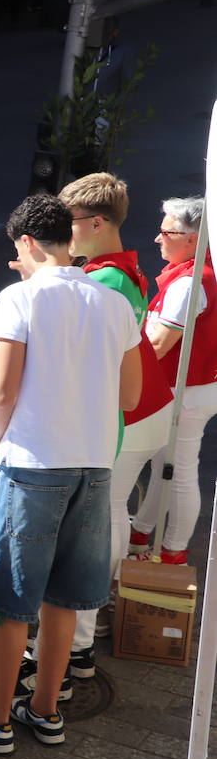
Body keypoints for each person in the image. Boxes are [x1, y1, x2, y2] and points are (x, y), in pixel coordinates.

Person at [0, 194, 140, 755]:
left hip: (31, 465)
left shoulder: (20, 296)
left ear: (27, 242)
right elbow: (129, 394)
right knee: (62, 600)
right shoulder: (113, 303)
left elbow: (1, 391)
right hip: (94, 464)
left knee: (9, 601)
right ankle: (47, 710)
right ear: (69, 241)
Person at [58, 174, 173, 679]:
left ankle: (79, 640)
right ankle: (89, 623)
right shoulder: (116, 268)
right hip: (142, 411)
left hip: (130, 414)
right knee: (109, 519)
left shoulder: (105, 279)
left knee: (95, 526)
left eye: (71, 225)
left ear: (97, 222)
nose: (66, 234)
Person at [130, 196, 214, 565]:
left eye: (167, 231)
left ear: (192, 239)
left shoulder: (191, 282)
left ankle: (174, 552)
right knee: (166, 462)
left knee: (178, 469)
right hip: (191, 388)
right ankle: (143, 531)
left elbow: (161, 344)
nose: (157, 238)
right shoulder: (196, 273)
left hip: (188, 391)